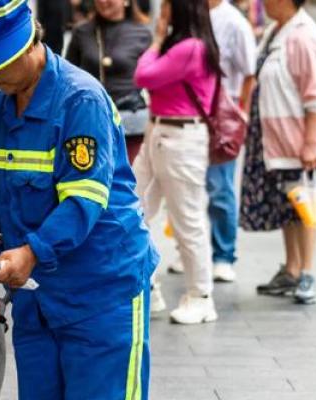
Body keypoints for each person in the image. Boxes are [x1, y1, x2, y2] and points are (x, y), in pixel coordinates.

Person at [0, 1, 158, 398]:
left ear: (28, 43)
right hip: (39, 298)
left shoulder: (81, 101)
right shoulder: (0, 109)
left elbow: (84, 200)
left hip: (101, 292)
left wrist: (31, 252)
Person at [133, 0, 221, 324]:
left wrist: (156, 40)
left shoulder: (191, 48)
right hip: (160, 133)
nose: (162, 12)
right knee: (135, 209)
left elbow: (143, 75)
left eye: (168, 6)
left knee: (187, 220)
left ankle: (201, 296)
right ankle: (148, 284)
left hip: (180, 139)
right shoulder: (186, 46)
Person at [240, 0, 316, 305]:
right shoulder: (276, 31)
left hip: (296, 139)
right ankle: (291, 268)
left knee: (306, 206)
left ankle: (307, 272)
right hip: (274, 138)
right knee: (287, 207)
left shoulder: (304, 35)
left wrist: (311, 143)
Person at [166, 0, 257, 283]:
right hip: (185, 114)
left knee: (220, 189)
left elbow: (249, 75)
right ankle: (189, 252)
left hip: (220, 118)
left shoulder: (234, 22)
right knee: (184, 189)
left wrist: (239, 112)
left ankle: (223, 255)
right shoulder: (187, 13)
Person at [66, 0, 152, 163]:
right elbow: (69, 76)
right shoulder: (82, 32)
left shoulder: (142, 33)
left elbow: (152, 80)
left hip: (131, 122)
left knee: (131, 180)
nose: (103, 1)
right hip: (92, 120)